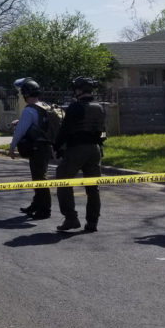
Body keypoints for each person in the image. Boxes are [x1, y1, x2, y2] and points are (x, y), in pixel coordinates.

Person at [53, 76, 106, 233]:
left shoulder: (75, 107)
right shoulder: (100, 107)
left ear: (79, 90)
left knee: (63, 179)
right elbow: (103, 131)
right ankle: (92, 222)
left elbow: (65, 130)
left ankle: (71, 218)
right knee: (93, 187)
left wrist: (56, 147)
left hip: (77, 148)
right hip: (95, 149)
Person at [7, 79, 53, 219]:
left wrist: (11, 147)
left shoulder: (29, 110)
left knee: (39, 179)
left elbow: (20, 131)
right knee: (39, 177)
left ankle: (44, 210)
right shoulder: (45, 106)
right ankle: (36, 205)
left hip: (37, 148)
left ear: (26, 94)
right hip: (46, 146)